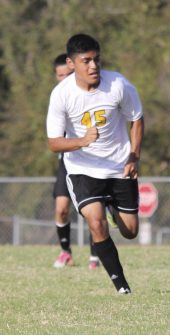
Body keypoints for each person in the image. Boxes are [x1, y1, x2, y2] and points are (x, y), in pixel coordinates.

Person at [46, 34, 144, 294]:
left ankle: (113, 208)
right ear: (71, 63)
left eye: (96, 59)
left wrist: (134, 155)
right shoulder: (62, 95)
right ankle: (121, 286)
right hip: (83, 169)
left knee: (131, 232)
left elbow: (136, 118)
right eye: (86, 60)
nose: (93, 66)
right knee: (96, 222)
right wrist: (81, 141)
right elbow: (54, 143)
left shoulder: (118, 85)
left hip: (119, 166)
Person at [51, 53, 102, 270]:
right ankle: (66, 252)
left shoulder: (88, 94)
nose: (64, 78)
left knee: (93, 211)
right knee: (61, 208)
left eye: (67, 74)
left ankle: (95, 256)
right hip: (67, 159)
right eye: (59, 75)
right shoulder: (58, 97)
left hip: (93, 160)